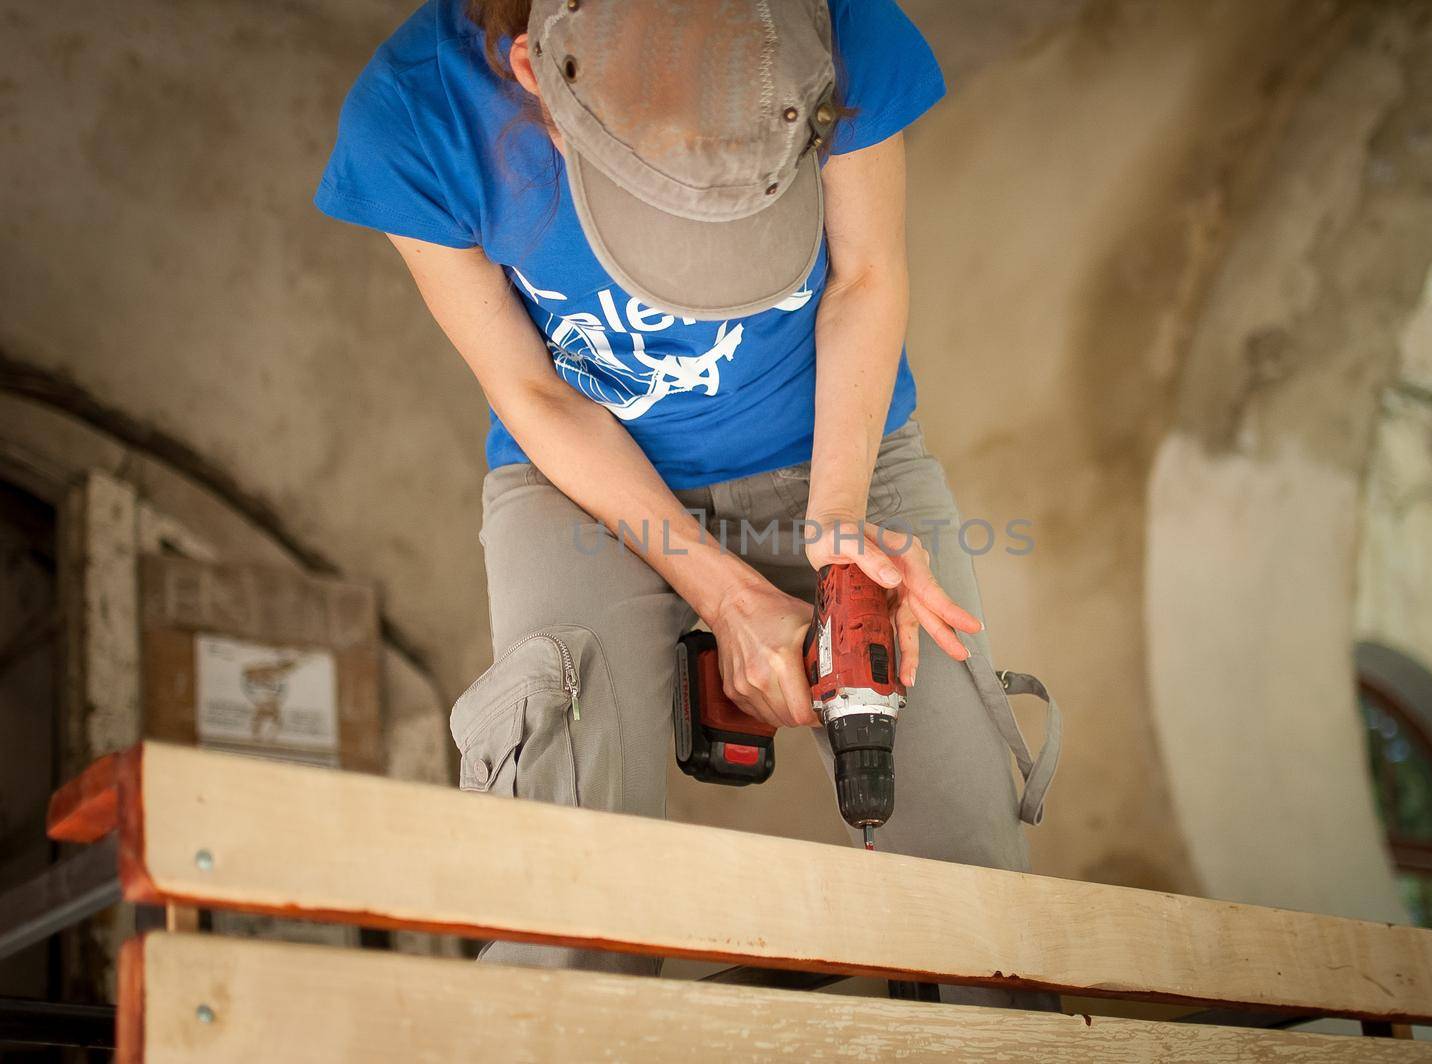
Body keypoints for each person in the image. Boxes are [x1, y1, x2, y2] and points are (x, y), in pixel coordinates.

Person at [316, 0, 1059, 1008]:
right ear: (536, 69)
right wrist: (719, 590)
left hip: (836, 438)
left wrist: (839, 517)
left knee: (975, 889)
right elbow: (533, 393)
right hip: (583, 476)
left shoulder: (840, 29)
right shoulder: (415, 114)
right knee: (575, 891)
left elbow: (866, 276)